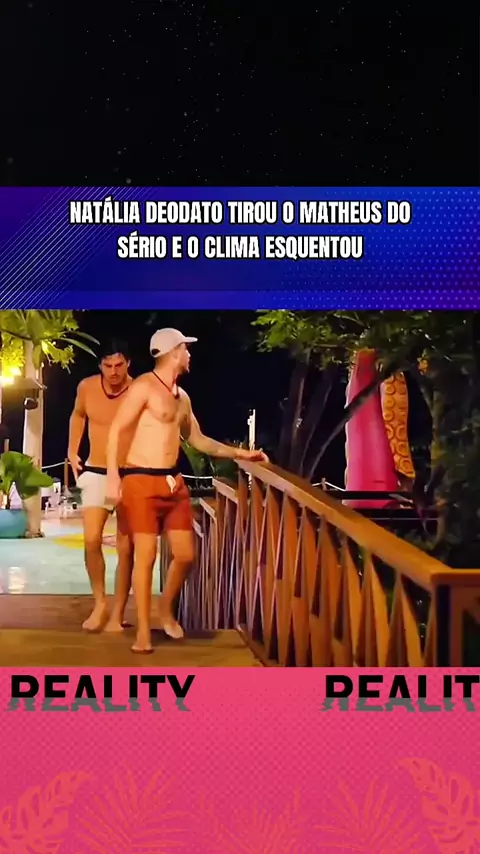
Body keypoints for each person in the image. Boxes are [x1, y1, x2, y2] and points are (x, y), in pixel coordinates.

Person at [106, 328, 268, 654]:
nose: (190, 355)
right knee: (146, 556)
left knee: (185, 555)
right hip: (140, 479)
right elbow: (116, 430)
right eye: (186, 349)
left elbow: (199, 441)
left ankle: (164, 607)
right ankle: (143, 633)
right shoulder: (144, 387)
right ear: (175, 352)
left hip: (173, 482)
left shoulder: (182, 398)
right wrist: (113, 478)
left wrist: (242, 454)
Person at [67, 340, 135, 632]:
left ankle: (119, 610)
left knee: (126, 546)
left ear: (128, 363)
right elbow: (78, 415)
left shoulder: (140, 389)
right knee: (91, 539)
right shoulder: (87, 387)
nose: (114, 371)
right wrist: (72, 451)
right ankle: (100, 602)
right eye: (108, 366)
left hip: (131, 472)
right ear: (100, 366)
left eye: (119, 365)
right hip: (96, 469)